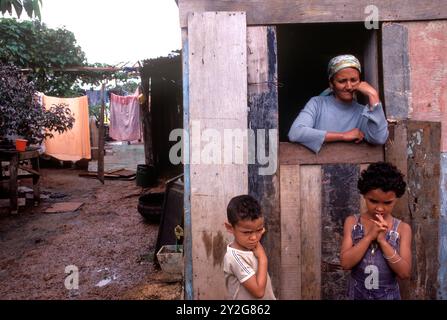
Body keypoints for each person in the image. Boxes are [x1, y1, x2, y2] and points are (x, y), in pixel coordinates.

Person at [288, 54, 388, 153]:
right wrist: (343, 136)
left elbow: (379, 139)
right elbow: (295, 133)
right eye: (342, 81)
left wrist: (373, 95)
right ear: (331, 84)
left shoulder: (364, 112)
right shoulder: (317, 104)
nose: (349, 86)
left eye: (353, 80)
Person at [340, 162, 412, 300]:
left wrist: (382, 242)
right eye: (373, 201)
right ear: (364, 195)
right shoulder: (353, 222)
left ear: (396, 199)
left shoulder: (402, 229)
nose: (379, 208)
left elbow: (404, 273)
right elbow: (345, 263)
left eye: (387, 203)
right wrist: (369, 237)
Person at [223, 195, 276, 300]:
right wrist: (263, 258)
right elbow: (259, 292)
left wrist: (257, 230)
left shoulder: (250, 244)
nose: (254, 237)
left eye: (259, 230)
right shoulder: (235, 258)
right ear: (230, 228)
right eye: (247, 232)